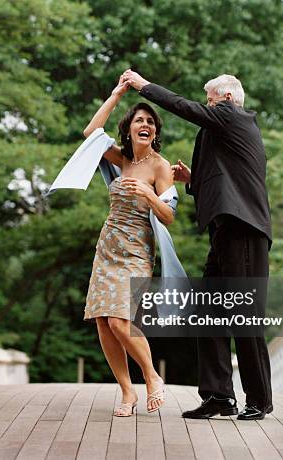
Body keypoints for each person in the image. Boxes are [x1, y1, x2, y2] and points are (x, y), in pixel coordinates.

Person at [123, 70, 273, 420]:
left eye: (210, 100)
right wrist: (194, 181)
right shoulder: (226, 131)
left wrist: (145, 86)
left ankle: (259, 400)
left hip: (245, 230)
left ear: (226, 99)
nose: (207, 106)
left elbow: (182, 106)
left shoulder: (235, 116)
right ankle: (219, 396)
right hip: (224, 231)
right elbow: (228, 180)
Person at [79, 76, 177, 416]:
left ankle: (151, 377)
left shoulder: (161, 167)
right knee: (103, 322)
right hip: (107, 247)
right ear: (129, 129)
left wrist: (149, 194)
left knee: (120, 321)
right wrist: (117, 93)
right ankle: (126, 392)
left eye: (150, 121)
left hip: (136, 252)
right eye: (140, 120)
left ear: (155, 131)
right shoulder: (121, 160)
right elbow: (90, 134)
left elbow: (169, 216)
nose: (145, 125)